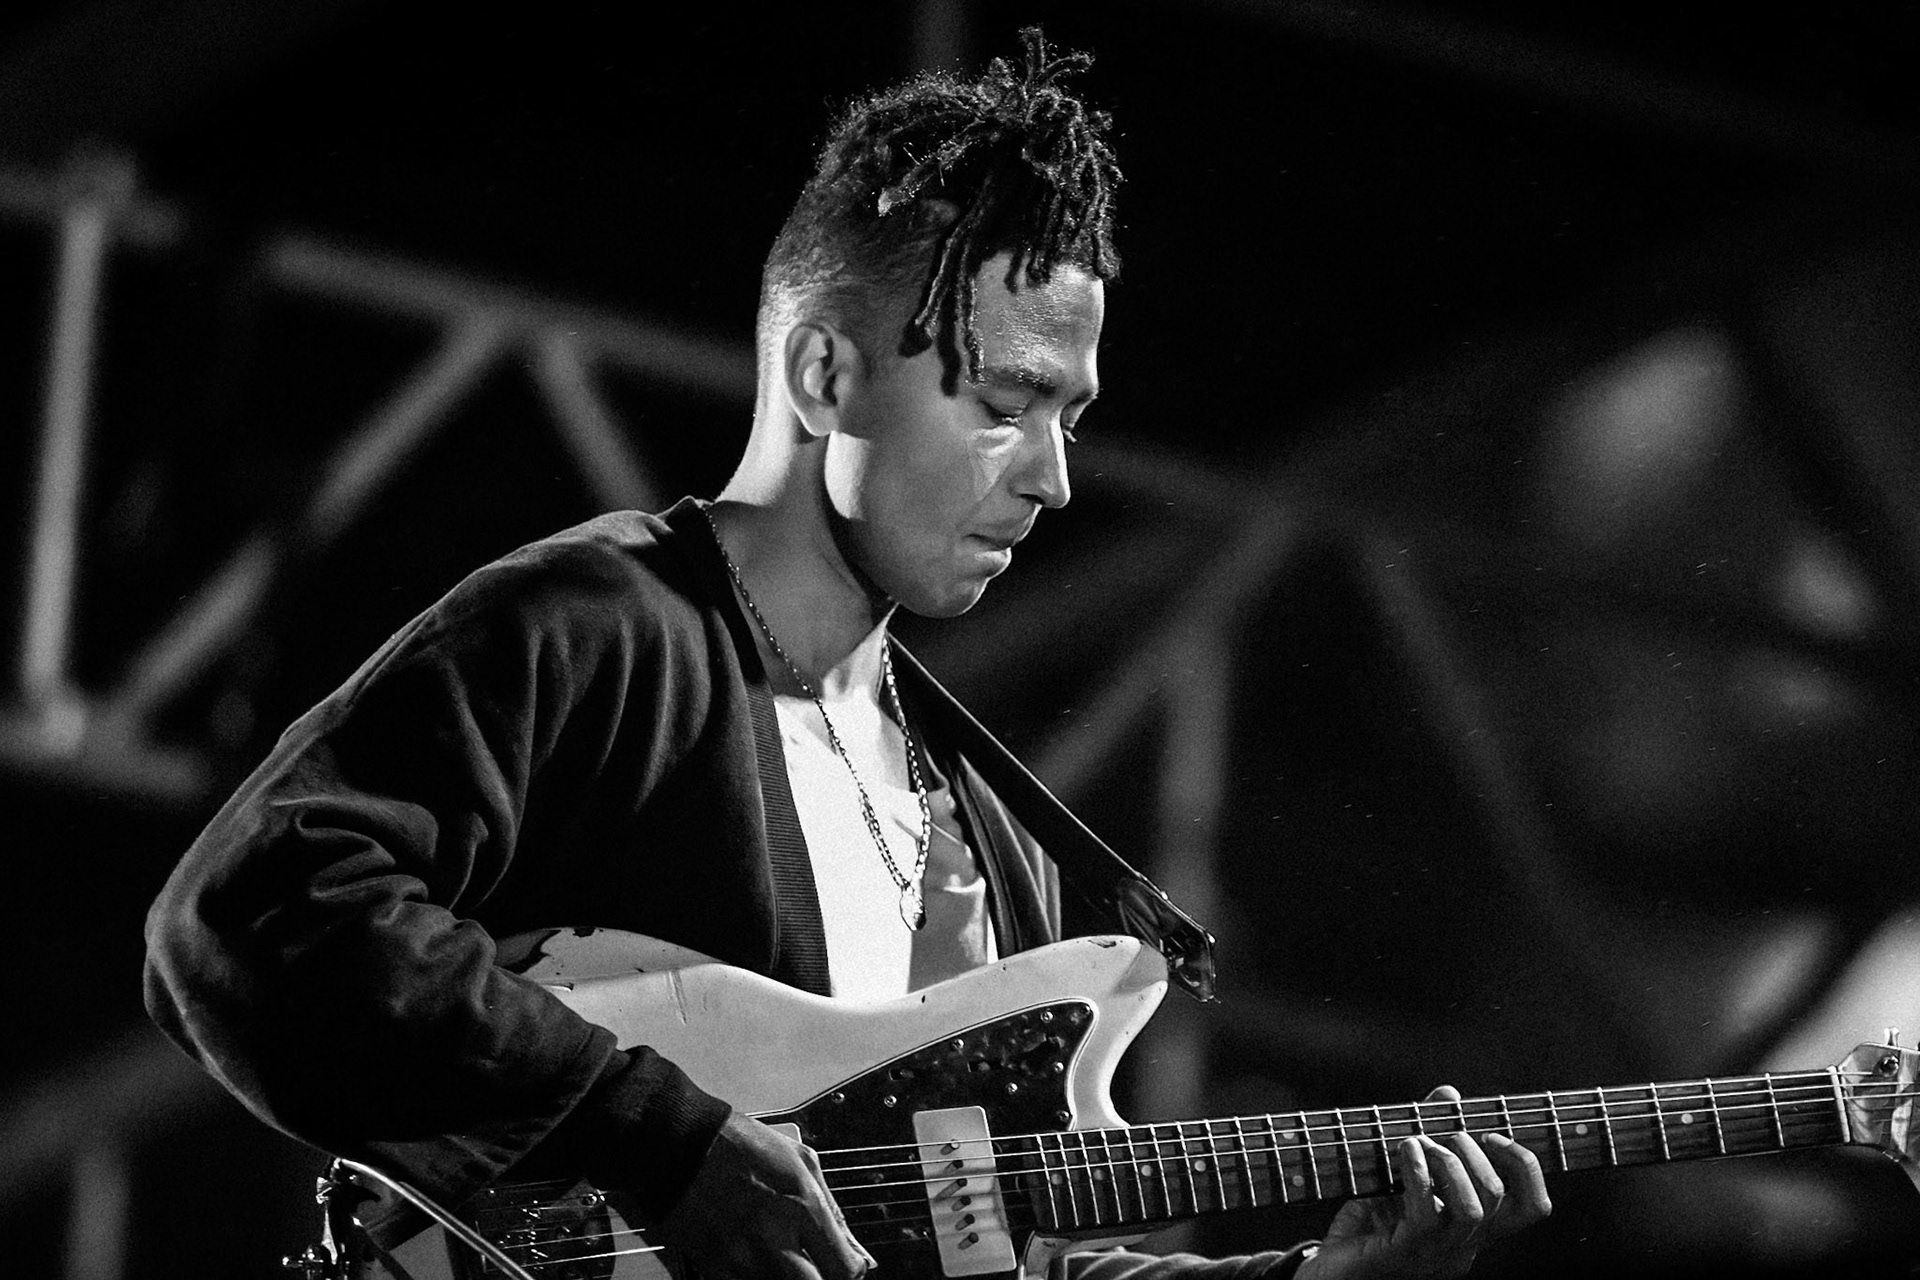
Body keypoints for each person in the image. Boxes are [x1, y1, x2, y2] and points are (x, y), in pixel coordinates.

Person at [144, 29, 1550, 1280]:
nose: (1054, 479)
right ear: (824, 377)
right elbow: (247, 918)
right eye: (1007, 403)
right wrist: (662, 1141)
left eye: (1073, 415)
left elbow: (995, 1250)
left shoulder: (976, 823)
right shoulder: (602, 628)